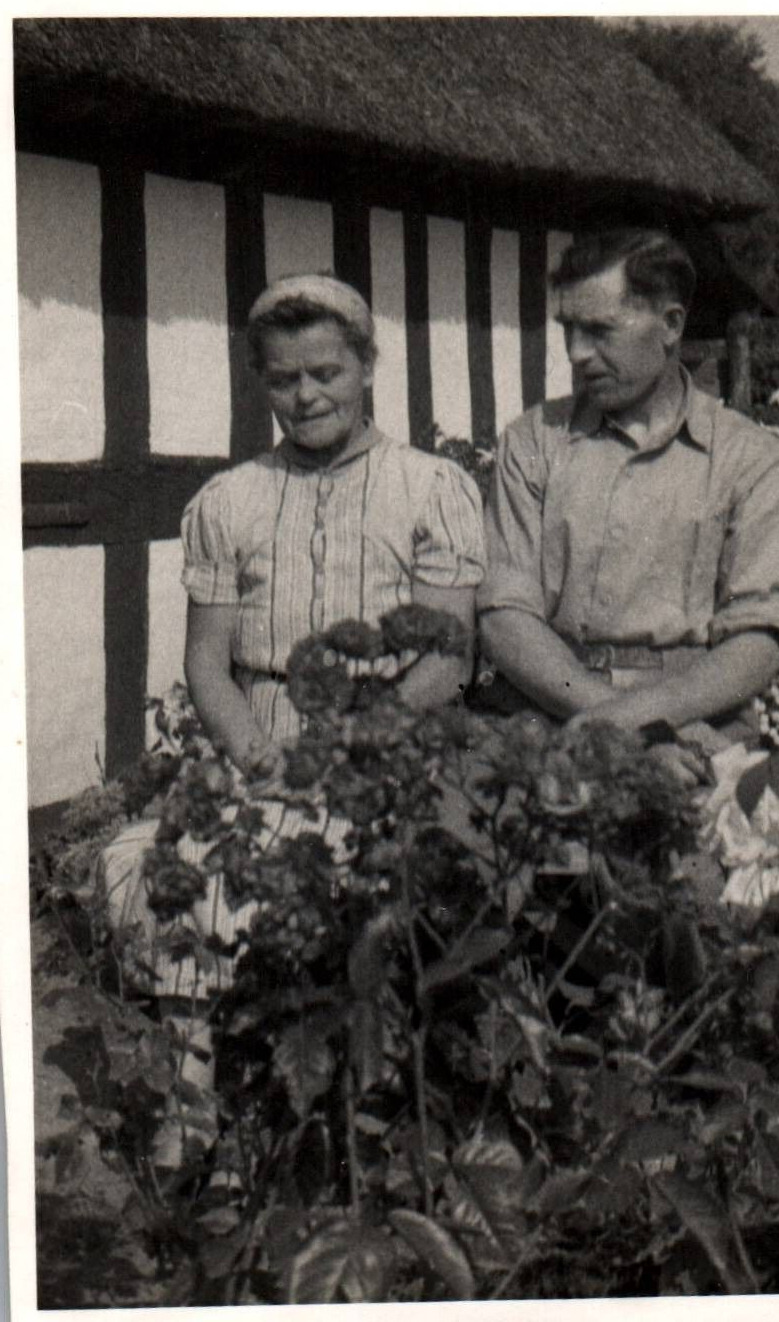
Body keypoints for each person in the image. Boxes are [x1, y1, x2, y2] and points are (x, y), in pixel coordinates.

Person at [101, 273, 485, 1144]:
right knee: (143, 860)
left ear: (366, 367)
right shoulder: (230, 500)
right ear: (262, 384)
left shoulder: (431, 489)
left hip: (384, 761)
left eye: (326, 372)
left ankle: (325, 1125)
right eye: (283, 379)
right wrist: (253, 755)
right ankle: (197, 1110)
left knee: (326, 873)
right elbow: (207, 659)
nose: (305, 395)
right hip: (259, 753)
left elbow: (445, 657)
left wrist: (345, 747)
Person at [477, 228, 779, 780]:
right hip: (542, 715)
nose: (578, 353)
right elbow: (504, 616)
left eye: (600, 330)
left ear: (671, 326)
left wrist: (640, 720)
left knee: (737, 855)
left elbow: (759, 637)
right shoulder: (532, 441)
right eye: (569, 330)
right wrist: (619, 729)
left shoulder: (751, 458)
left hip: (695, 726)